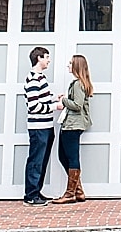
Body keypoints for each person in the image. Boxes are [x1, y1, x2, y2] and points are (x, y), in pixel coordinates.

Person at [50, 53, 94, 203]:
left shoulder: (78, 84)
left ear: (76, 66)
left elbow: (77, 105)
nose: (68, 65)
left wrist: (63, 100)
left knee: (71, 157)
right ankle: (78, 191)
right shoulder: (78, 83)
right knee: (63, 156)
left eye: (70, 63)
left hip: (73, 125)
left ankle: (70, 194)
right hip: (70, 124)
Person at [22, 46, 60, 205]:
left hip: (46, 126)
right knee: (36, 160)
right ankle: (30, 196)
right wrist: (54, 107)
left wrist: (55, 99)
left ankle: (37, 192)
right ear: (39, 58)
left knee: (42, 160)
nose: (48, 60)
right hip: (38, 128)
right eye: (46, 57)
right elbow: (33, 106)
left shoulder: (41, 78)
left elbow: (42, 99)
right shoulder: (33, 79)